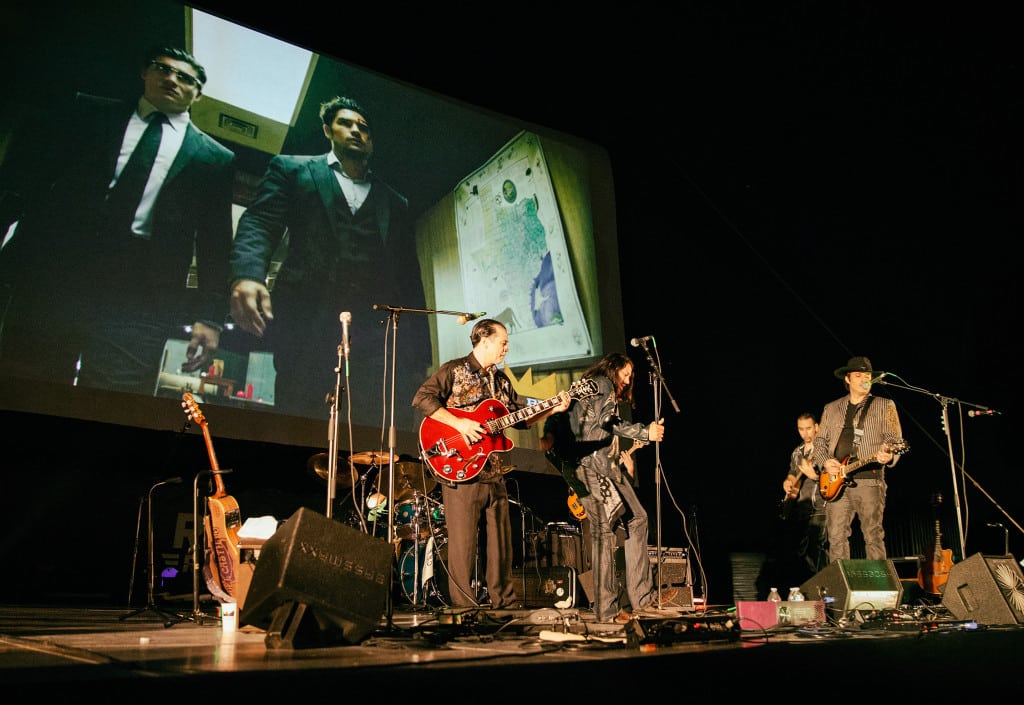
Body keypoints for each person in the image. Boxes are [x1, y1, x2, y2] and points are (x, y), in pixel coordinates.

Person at [0, 45, 235, 395]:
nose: (171, 79)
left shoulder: (215, 158)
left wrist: (211, 316)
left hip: (141, 293)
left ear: (197, 93)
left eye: (185, 78)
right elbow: (32, 178)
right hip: (54, 274)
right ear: (145, 73)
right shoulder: (90, 113)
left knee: (113, 400)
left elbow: (215, 241)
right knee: (25, 385)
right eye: (162, 69)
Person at [229, 94, 426, 423]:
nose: (355, 130)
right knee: (297, 419)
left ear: (371, 141)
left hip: (373, 339)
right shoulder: (291, 170)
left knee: (366, 429)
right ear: (327, 130)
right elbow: (260, 222)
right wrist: (248, 274)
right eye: (345, 123)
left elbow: (409, 277)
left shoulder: (394, 201)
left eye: (363, 127)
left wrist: (419, 356)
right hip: (305, 325)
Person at [411, 318, 569, 608]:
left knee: (501, 547)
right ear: (484, 341)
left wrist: (551, 408)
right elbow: (422, 398)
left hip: (494, 472)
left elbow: (520, 419)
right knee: (463, 547)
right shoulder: (454, 370)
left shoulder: (502, 380)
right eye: (503, 342)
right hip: (460, 470)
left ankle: (505, 604)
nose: (506, 348)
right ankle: (465, 608)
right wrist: (460, 425)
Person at [563, 351, 672, 624]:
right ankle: (609, 610)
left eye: (631, 375)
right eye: (626, 372)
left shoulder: (592, 388)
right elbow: (607, 422)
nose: (628, 378)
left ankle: (640, 600)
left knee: (637, 518)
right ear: (613, 368)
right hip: (591, 466)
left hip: (595, 465)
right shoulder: (604, 384)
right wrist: (643, 432)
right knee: (605, 532)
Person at [812, 356, 904, 562]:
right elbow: (819, 443)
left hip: (869, 479)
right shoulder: (832, 408)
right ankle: (839, 589)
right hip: (836, 482)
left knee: (873, 535)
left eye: (868, 375)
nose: (864, 379)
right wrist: (826, 461)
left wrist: (888, 454)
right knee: (836, 537)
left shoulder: (885, 405)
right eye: (859, 375)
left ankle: (880, 587)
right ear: (848, 379)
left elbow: (894, 439)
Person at [779, 412, 828, 579]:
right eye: (801, 429)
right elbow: (792, 472)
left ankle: (826, 592)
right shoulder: (797, 451)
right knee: (802, 554)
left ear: (817, 427)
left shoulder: (824, 449)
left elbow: (834, 475)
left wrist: (815, 476)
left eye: (808, 428)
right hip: (801, 508)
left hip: (821, 506)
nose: (805, 434)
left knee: (817, 550)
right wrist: (788, 481)